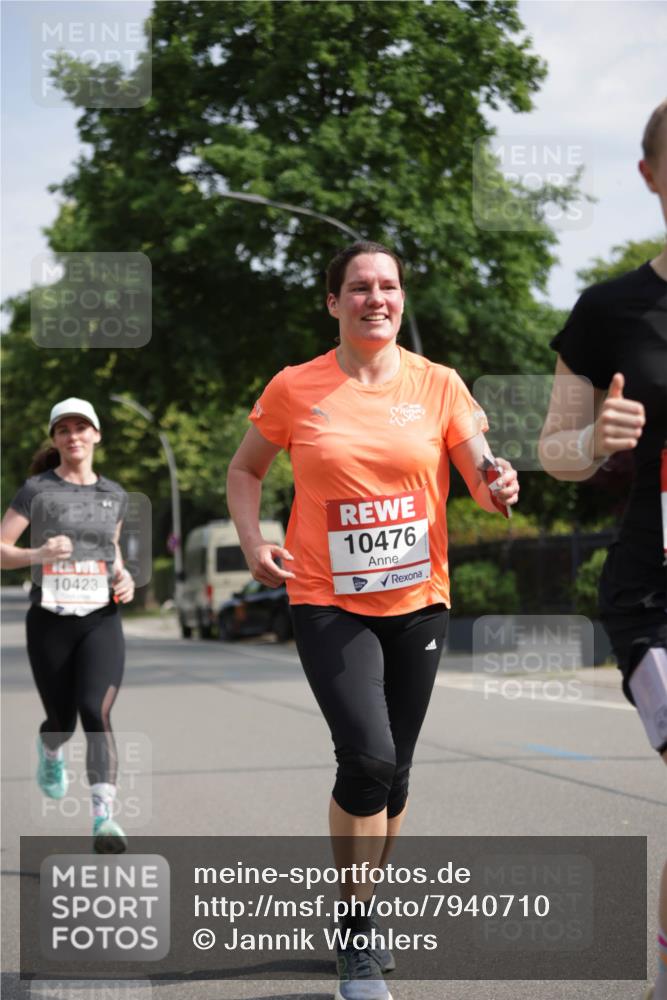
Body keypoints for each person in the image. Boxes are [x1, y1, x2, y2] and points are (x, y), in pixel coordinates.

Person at [226, 241, 519, 1000]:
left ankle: (363, 911)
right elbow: (244, 469)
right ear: (333, 303)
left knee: (397, 775)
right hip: (326, 597)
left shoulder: (439, 385)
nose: (375, 298)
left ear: (399, 297)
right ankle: (355, 935)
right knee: (367, 759)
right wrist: (255, 541)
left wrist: (499, 482)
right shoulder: (296, 387)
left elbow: (481, 480)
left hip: (418, 597)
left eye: (387, 285)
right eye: (358, 287)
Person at [539, 100, 667, 1000]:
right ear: (650, 176)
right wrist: (597, 441)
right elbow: (553, 452)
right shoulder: (607, 310)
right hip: (653, 591)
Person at [0, 397, 135, 854]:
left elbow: (111, 551)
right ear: (55, 439)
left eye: (81, 427)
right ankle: (52, 751)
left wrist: (124, 574)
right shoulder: (36, 490)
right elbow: (1, 549)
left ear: (96, 434)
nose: (73, 436)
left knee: (95, 711)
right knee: (62, 721)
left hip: (101, 617)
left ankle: (104, 818)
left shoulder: (114, 495)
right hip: (50, 620)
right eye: (63, 429)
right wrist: (38, 555)